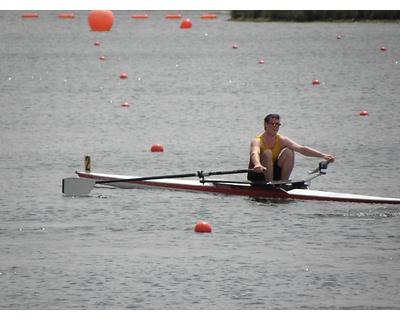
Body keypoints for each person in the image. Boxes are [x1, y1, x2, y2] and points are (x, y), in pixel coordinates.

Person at [248, 114, 335, 182]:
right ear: (265, 124)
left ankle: (283, 183)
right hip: (257, 174)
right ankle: (270, 184)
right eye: (273, 124)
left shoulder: (281, 139)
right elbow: (254, 153)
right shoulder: (257, 140)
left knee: (289, 151)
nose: (276, 126)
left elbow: (301, 149)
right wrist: (257, 164)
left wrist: (323, 156)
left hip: (272, 172)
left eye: (278, 124)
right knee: (267, 153)